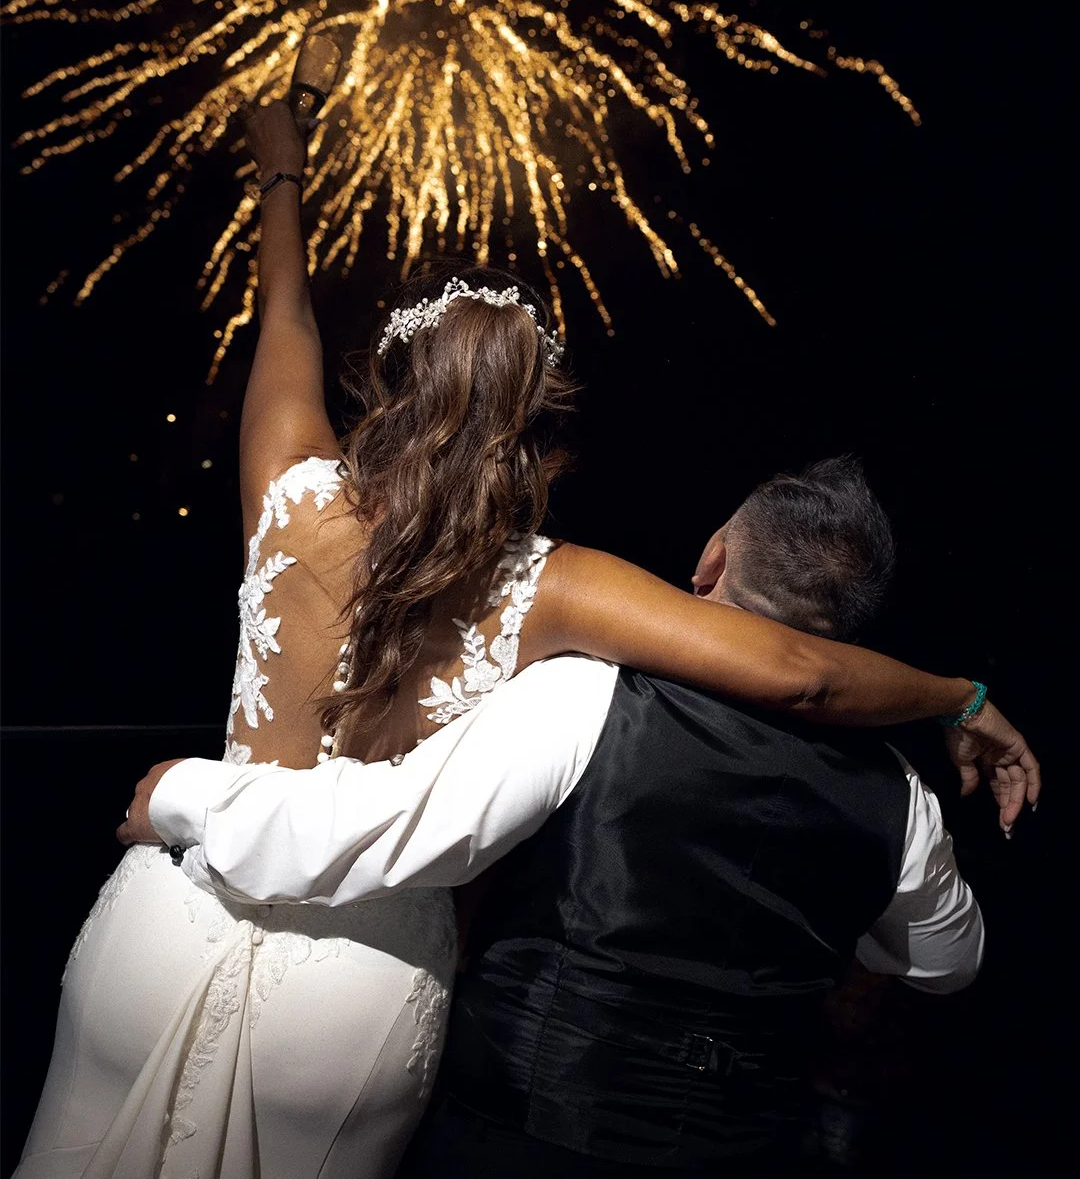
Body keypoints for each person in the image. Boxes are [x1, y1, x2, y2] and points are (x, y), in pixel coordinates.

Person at [17, 100, 1036, 1179]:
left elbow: (288, 320)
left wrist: (284, 175)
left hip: (169, 921)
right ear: (531, 423)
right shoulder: (556, 587)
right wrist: (959, 697)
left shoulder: (286, 489)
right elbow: (801, 674)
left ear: (394, 377)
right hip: (356, 982)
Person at [122, 459, 998, 1178]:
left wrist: (183, 797)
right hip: (750, 1148)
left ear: (712, 559)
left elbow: (379, 830)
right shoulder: (902, 796)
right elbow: (950, 962)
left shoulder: (586, 694)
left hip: (525, 1136)